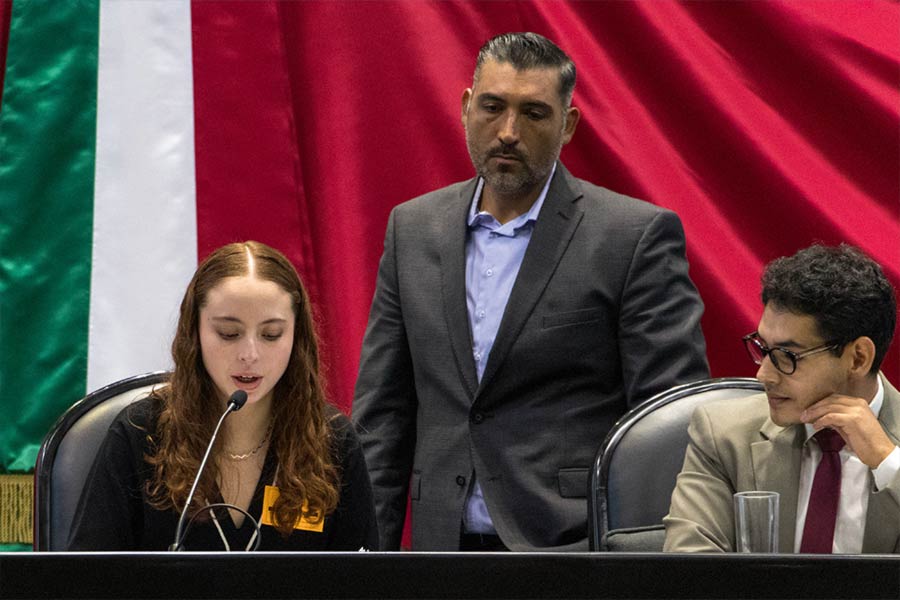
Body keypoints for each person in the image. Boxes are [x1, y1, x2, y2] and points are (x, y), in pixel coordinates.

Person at [352, 32, 709, 551]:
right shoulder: (411, 229)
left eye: (534, 113)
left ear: (568, 125)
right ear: (466, 107)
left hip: (574, 551)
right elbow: (383, 414)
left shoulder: (633, 237)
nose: (508, 132)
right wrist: (370, 559)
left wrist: (642, 561)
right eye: (493, 107)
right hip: (439, 550)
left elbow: (665, 421)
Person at [68, 241, 378, 551]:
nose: (250, 354)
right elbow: (88, 579)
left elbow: (364, 582)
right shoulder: (142, 434)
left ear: (297, 338)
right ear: (195, 332)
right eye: (229, 334)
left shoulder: (331, 441)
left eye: (271, 335)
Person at [664, 244, 899, 553]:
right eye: (763, 349)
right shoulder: (723, 435)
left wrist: (888, 461)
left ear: (857, 358)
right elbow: (689, 574)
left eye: (787, 356)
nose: (764, 376)